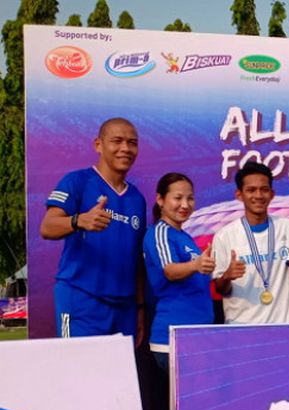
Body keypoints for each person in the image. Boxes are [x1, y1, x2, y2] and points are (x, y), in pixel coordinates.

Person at [40, 117, 147, 339]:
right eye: (117, 141)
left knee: (118, 373)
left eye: (132, 143)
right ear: (98, 145)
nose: (125, 148)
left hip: (124, 307)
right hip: (81, 299)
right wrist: (78, 220)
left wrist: (139, 307)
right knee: (78, 370)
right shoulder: (76, 181)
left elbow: (137, 258)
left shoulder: (137, 198)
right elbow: (47, 227)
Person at [212, 162, 289, 323]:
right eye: (251, 190)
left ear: (272, 194)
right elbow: (220, 289)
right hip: (242, 329)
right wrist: (227, 276)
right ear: (239, 195)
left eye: (264, 190)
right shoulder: (224, 236)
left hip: (285, 327)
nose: (258, 195)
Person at [143, 172, 214, 367]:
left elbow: (195, 280)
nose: (185, 205)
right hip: (173, 339)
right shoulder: (160, 232)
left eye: (190, 198)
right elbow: (170, 271)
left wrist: (226, 274)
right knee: (189, 398)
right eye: (178, 198)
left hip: (196, 337)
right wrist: (196, 265)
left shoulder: (184, 237)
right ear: (160, 200)